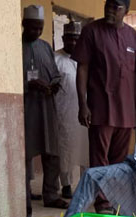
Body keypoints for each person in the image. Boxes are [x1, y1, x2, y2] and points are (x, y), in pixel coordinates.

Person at [72, 0, 136, 214]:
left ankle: (115, 199)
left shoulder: (133, 36)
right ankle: (102, 203)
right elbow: (82, 68)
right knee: (99, 159)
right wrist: (83, 104)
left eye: (116, 6)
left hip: (127, 111)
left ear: (126, 11)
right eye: (108, 5)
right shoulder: (91, 32)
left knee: (119, 161)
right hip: (101, 108)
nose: (110, 9)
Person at [22, 5, 68, 217]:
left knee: (52, 153)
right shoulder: (14, 47)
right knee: (24, 157)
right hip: (25, 108)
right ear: (23, 25)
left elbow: (55, 73)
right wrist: (28, 84)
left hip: (46, 106)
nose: (36, 32)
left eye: (40, 28)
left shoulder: (45, 47)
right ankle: (25, 213)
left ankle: (51, 194)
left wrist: (54, 84)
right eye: (32, 27)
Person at [54, 20, 88, 200]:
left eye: (76, 39)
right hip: (64, 112)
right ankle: (66, 184)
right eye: (69, 39)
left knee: (86, 151)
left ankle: (84, 185)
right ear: (63, 38)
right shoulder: (56, 59)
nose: (73, 43)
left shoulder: (87, 60)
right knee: (65, 149)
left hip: (85, 113)